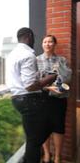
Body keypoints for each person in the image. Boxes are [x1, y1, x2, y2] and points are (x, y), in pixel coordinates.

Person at [6, 27, 58, 163]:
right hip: (29, 100)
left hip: (17, 99)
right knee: (36, 138)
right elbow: (30, 86)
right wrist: (50, 78)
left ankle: (30, 157)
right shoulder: (28, 55)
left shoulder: (12, 54)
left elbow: (24, 80)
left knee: (33, 139)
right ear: (29, 36)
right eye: (34, 37)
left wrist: (40, 79)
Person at [37, 35, 72, 163]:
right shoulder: (36, 60)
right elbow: (35, 81)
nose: (47, 44)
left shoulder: (62, 60)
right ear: (42, 44)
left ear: (54, 44)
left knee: (58, 127)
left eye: (50, 41)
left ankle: (58, 156)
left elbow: (67, 78)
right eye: (45, 41)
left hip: (58, 97)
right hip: (42, 98)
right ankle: (47, 154)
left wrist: (59, 81)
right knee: (43, 126)